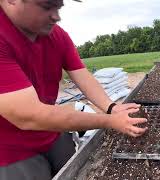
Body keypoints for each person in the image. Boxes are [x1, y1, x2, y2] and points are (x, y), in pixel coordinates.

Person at [0, 0, 148, 179]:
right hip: (10, 152)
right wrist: (110, 121)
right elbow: (29, 116)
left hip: (52, 132)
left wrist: (111, 107)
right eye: (47, 7)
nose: (57, 16)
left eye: (58, 7)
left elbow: (81, 74)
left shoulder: (55, 35)